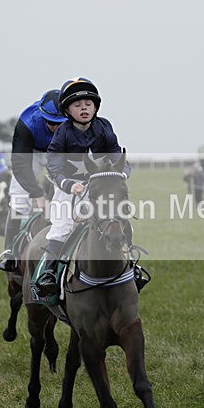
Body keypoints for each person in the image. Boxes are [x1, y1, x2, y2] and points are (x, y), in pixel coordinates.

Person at [33, 77, 132, 296]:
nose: (84, 108)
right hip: (69, 187)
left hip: (98, 186)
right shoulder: (63, 132)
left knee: (120, 219)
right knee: (62, 226)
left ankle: (131, 264)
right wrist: (68, 185)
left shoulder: (104, 126)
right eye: (77, 105)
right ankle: (48, 275)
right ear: (67, 111)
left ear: (96, 107)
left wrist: (122, 173)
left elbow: (116, 152)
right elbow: (54, 163)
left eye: (88, 104)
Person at [0, 90, 67, 272]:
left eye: (60, 123)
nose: (55, 128)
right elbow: (20, 165)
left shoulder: (74, 119)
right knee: (19, 197)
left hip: (59, 152)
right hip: (32, 152)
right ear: (42, 116)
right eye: (51, 123)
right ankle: (9, 251)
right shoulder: (27, 122)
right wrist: (37, 193)